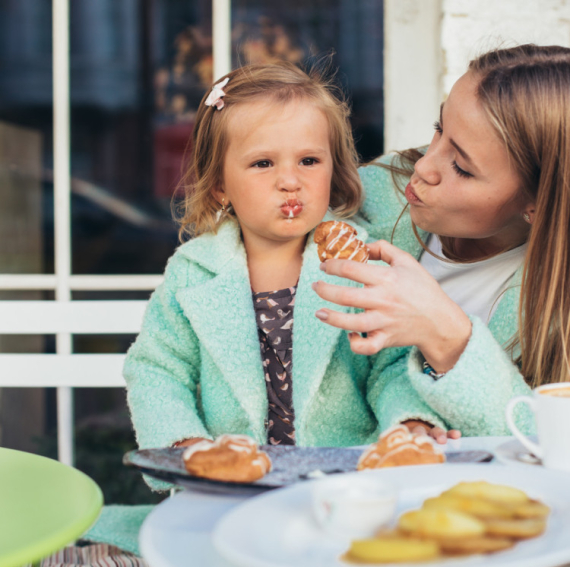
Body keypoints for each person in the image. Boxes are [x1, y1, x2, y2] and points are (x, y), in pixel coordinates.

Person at [123, 60, 380, 460]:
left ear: (334, 167)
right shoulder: (193, 272)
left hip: (340, 483)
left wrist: (409, 425)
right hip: (232, 486)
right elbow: (158, 369)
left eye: (309, 161)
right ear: (221, 186)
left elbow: (394, 366)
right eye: (263, 163)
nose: (290, 180)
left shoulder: (357, 262)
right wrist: (186, 445)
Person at [313, 44, 570, 441]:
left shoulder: (557, 304)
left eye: (462, 168)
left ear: (538, 203)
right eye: (439, 129)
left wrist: (448, 337)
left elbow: (551, 447)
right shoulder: (360, 203)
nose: (423, 166)